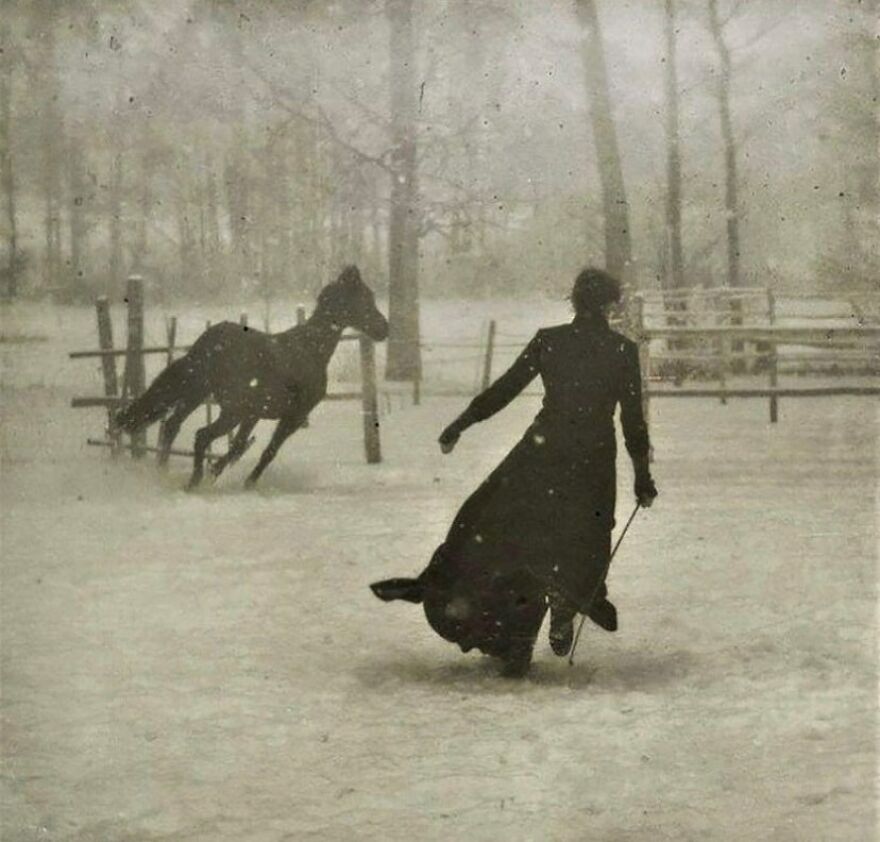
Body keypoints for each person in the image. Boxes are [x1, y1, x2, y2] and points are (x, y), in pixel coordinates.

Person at [371, 267, 658, 677]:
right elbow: (633, 422)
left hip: (540, 457)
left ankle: (512, 624)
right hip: (591, 460)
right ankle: (565, 605)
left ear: (574, 301)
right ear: (610, 305)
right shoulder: (621, 351)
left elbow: (505, 390)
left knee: (498, 531)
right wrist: (642, 475)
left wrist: (462, 423)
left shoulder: (550, 342)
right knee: (583, 540)